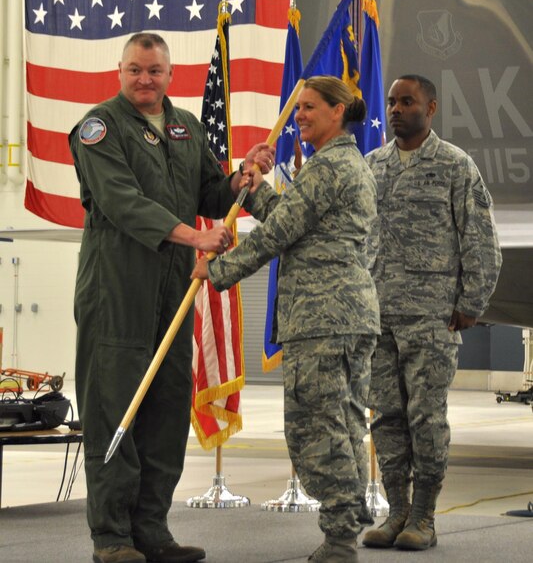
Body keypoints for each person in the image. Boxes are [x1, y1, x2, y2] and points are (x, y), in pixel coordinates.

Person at [69, 32, 275, 563]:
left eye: (155, 71)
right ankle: (111, 536)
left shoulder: (185, 127)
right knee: (116, 406)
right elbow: (121, 201)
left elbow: (210, 190)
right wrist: (194, 237)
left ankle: (152, 531)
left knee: (164, 410)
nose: (145, 79)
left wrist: (240, 178)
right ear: (120, 71)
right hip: (117, 291)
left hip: (174, 293)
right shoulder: (98, 128)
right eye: (135, 70)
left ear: (169, 73)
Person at [192, 76, 381, 563]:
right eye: (297, 109)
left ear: (338, 112)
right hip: (347, 315)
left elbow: (274, 236)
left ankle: (340, 537)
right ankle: (348, 528)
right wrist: (256, 192)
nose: (299, 117)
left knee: (317, 429)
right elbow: (292, 220)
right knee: (343, 423)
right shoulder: (345, 164)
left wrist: (216, 271)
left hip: (323, 318)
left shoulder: (327, 168)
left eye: (310, 108)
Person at [362, 74, 502, 552]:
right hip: (378, 318)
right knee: (385, 418)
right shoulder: (372, 166)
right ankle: (395, 510)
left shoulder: (454, 166)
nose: (398, 109)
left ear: (431, 108)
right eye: (392, 102)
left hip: (430, 319)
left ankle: (424, 516)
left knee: (426, 417)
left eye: (408, 101)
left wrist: (471, 303)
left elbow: (481, 240)